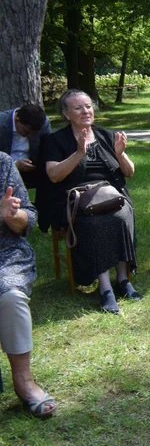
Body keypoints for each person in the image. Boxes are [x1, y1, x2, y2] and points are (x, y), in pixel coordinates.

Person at [40, 90, 140, 314]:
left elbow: (129, 172)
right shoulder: (55, 141)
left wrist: (120, 154)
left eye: (88, 106)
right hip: (74, 200)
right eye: (78, 108)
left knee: (123, 216)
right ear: (66, 114)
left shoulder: (106, 135)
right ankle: (105, 288)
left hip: (111, 195)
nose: (86, 111)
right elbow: (54, 175)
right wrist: (78, 153)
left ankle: (123, 280)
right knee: (94, 224)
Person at [0, 152, 55, 417]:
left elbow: (29, 219)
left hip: (5, 253)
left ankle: (23, 382)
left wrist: (12, 216)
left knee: (11, 296)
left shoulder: (2, 162)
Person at [0, 103, 52, 188]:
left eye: (34, 134)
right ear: (17, 120)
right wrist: (14, 165)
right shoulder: (2, 122)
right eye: (27, 132)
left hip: (32, 169)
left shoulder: (43, 123)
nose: (30, 136)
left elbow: (48, 147)